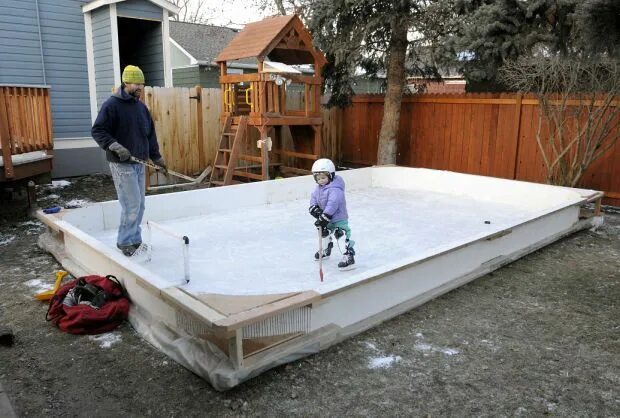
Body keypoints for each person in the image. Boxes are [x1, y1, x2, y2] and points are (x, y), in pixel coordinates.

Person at [92, 65, 166, 257]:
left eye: (142, 84)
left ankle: (135, 240)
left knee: (140, 204)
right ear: (126, 83)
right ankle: (125, 241)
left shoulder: (141, 107)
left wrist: (156, 157)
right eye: (137, 84)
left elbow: (149, 135)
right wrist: (116, 146)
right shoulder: (112, 105)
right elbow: (98, 131)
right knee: (131, 204)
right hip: (121, 163)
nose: (140, 87)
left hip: (139, 162)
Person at [308, 158, 356, 270]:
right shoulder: (318, 189)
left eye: (324, 177)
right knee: (323, 232)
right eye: (318, 178)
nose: (321, 181)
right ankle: (326, 249)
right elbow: (313, 198)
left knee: (340, 234)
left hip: (338, 218)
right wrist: (314, 208)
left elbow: (333, 204)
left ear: (331, 175)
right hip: (326, 217)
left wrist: (325, 216)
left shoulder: (335, 189)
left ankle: (348, 255)